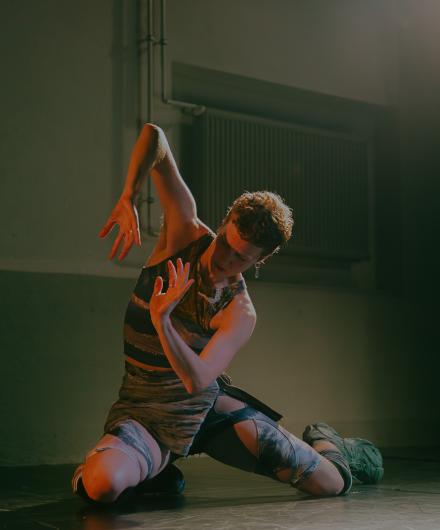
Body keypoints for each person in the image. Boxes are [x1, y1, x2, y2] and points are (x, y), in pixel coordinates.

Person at [72, 123, 383, 504]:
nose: (225, 260)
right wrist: (128, 196)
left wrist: (163, 321)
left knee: (330, 484)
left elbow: (197, 380)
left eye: (241, 258)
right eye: (225, 244)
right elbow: (154, 137)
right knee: (101, 486)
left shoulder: (239, 310)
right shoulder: (182, 235)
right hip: (145, 411)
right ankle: (154, 471)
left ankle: (328, 442)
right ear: (222, 224)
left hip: (207, 411)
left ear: (261, 260)